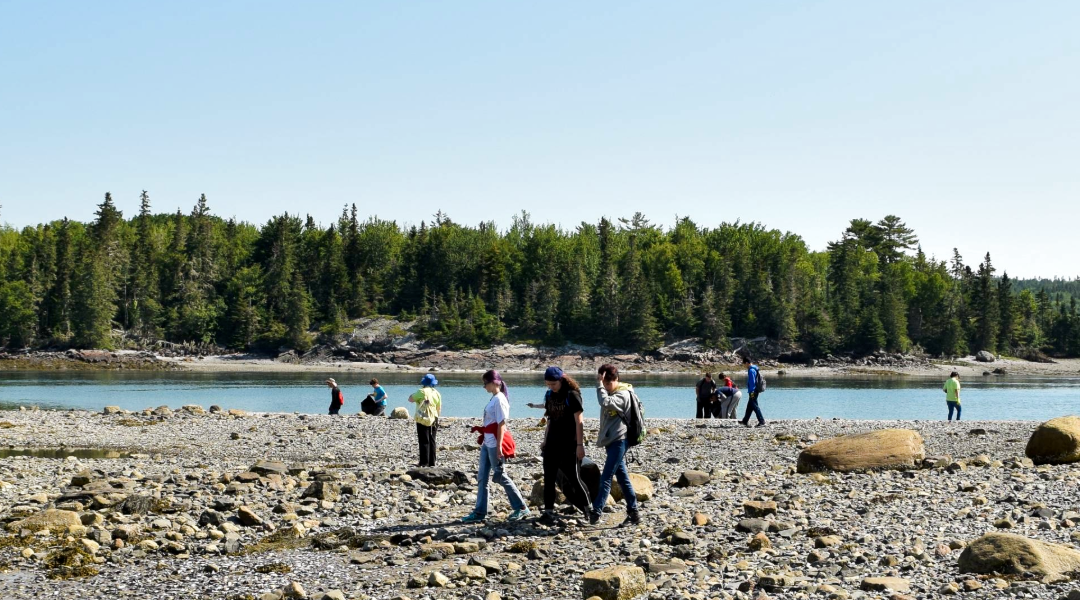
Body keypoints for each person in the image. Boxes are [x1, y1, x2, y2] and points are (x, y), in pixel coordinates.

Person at [461, 370, 531, 523]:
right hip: (487, 442)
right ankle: (480, 512)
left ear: (493, 383)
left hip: (494, 444)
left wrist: (499, 447)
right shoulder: (494, 398)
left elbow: (501, 424)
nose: (484, 386)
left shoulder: (500, 400)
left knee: (500, 475)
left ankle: (521, 507)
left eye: (485, 383)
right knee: (482, 478)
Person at [589, 364, 641, 527]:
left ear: (616, 379)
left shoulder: (623, 394)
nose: (605, 387)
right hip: (612, 440)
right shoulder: (612, 391)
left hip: (620, 440)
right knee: (623, 477)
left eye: (607, 384)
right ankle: (633, 513)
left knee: (606, 477)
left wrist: (599, 385)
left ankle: (596, 510)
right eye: (604, 384)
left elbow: (605, 402)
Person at [539, 366, 592, 522]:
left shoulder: (572, 395)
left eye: (553, 384)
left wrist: (580, 445)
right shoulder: (549, 395)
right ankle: (548, 511)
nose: (550, 387)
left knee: (574, 478)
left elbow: (579, 422)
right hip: (551, 445)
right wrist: (544, 440)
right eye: (548, 384)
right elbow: (549, 419)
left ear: (561, 380)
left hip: (569, 445)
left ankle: (589, 510)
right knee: (549, 478)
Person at [408, 374, 442, 467]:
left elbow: (410, 399)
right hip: (434, 417)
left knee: (424, 440)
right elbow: (439, 408)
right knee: (432, 440)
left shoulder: (421, 391)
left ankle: (424, 462)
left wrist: (413, 396)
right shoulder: (436, 393)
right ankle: (432, 462)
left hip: (423, 417)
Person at [739, 356, 766, 427]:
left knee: (754, 406)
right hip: (754, 390)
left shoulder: (751, 370)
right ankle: (745, 421)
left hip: (753, 391)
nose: (744, 366)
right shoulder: (754, 368)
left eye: (744, 364)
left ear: (747, 363)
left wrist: (751, 392)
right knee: (750, 406)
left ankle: (761, 421)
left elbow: (752, 382)